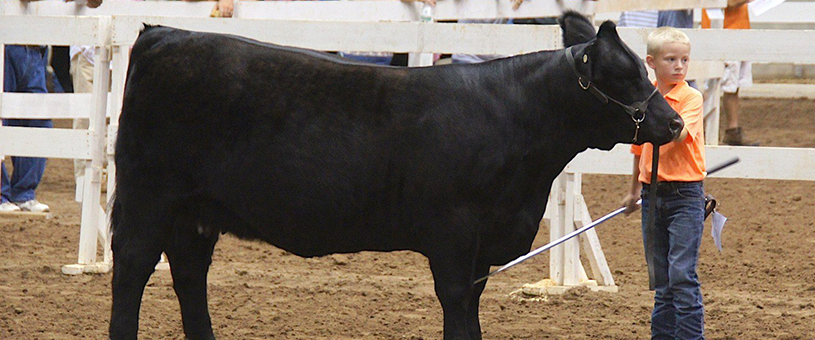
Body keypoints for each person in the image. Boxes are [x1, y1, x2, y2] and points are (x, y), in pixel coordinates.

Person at [621, 27, 706, 340]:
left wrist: (653, 120)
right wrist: (632, 191)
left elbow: (680, 133)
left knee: (682, 274)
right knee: (662, 280)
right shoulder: (645, 100)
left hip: (685, 194)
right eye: (671, 59)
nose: (680, 66)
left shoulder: (690, 98)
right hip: (651, 193)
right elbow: (638, 150)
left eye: (684, 59)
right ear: (651, 62)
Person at [1, 45, 53, 213]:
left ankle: (24, 192)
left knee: (38, 117)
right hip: (7, 45)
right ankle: (4, 193)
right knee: (4, 114)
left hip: (35, 48)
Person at [702, 0, 758, 146]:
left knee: (732, 87)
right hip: (725, 33)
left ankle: (732, 130)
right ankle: (701, 130)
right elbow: (729, 2)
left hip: (736, 31)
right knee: (712, 87)